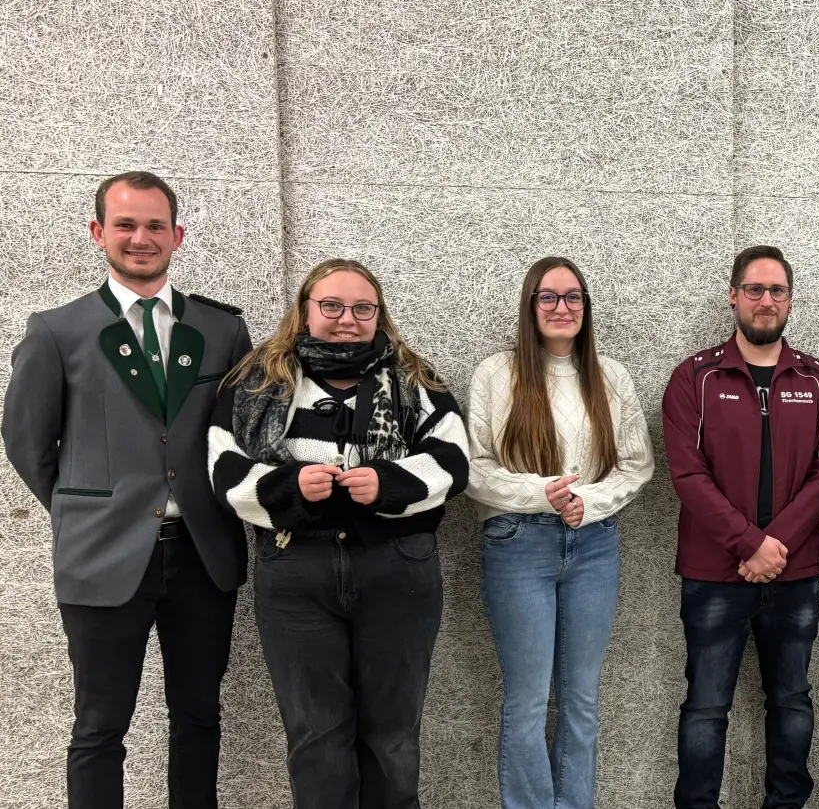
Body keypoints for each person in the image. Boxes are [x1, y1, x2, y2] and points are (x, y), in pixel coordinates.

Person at [3, 171, 252, 809]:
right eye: (125, 225)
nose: (141, 238)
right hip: (102, 555)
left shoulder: (222, 331)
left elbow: (239, 433)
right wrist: (89, 506)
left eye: (154, 226)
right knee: (99, 727)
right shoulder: (58, 332)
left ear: (177, 235)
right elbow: (29, 444)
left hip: (203, 554)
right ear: (98, 233)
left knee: (199, 716)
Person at [206, 258, 469, 809]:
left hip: (398, 567)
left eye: (362, 308)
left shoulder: (416, 381)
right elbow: (221, 465)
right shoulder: (257, 383)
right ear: (305, 312)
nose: (346, 319)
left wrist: (392, 483)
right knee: (316, 736)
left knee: (393, 736)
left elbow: (454, 459)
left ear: (379, 316)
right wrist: (289, 487)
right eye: (331, 306)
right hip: (295, 570)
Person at [661, 245, 819, 809]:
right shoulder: (695, 377)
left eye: (777, 291)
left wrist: (776, 545)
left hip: (794, 574)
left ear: (790, 300)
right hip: (715, 573)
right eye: (755, 290)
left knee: (791, 702)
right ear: (733, 297)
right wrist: (749, 543)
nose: (766, 302)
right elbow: (687, 474)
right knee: (705, 707)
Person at [467, 257, 654, 809]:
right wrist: (542, 493)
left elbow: (637, 463)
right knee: (526, 701)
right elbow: (474, 467)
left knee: (581, 700)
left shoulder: (611, 376)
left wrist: (586, 501)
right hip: (517, 543)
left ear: (586, 308)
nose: (562, 308)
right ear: (530, 306)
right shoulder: (495, 375)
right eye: (549, 297)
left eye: (573, 298)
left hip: (593, 547)